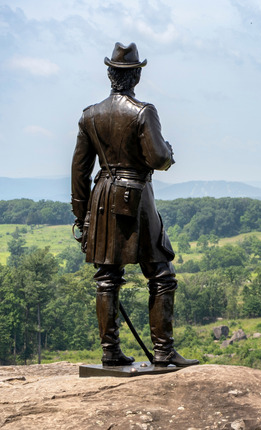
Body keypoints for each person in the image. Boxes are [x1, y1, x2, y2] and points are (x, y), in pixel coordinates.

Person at [71, 42, 198, 367]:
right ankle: (163, 351)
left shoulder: (90, 115)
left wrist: (82, 215)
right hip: (136, 197)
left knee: (107, 276)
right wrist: (169, 151)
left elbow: (80, 171)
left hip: (101, 197)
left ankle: (110, 352)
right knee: (161, 273)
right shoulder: (143, 112)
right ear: (136, 76)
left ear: (110, 74)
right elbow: (157, 158)